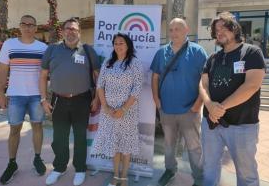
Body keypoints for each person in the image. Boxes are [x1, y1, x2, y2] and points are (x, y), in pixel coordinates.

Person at [199, 11, 266, 186]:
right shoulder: (213, 58)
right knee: (209, 169)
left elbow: (252, 85)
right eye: (216, 30)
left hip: (242, 125)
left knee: (247, 174)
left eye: (224, 27)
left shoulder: (251, 53)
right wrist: (209, 105)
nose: (219, 32)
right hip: (211, 124)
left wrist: (219, 108)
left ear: (234, 29)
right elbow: (203, 84)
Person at [40, 18, 100, 186]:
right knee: (60, 137)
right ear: (63, 31)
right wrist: (44, 99)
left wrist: (96, 99)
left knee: (80, 137)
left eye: (74, 29)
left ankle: (80, 168)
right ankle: (59, 167)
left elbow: (98, 76)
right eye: (68, 28)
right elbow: (43, 76)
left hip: (82, 100)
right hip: (58, 99)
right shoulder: (52, 50)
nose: (71, 32)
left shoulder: (88, 50)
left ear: (79, 32)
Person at [150, 18, 207, 186]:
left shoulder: (197, 51)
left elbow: (205, 81)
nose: (174, 33)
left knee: (194, 147)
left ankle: (198, 177)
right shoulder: (161, 52)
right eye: (171, 29)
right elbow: (155, 77)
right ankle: (170, 170)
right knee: (169, 145)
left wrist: (198, 104)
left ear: (186, 30)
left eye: (178, 29)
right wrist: (156, 99)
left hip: (190, 110)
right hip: (166, 109)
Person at [0, 15, 48, 184]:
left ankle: (37, 158)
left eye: (31, 24)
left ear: (35, 28)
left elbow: (45, 74)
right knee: (14, 130)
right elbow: (3, 70)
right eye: (24, 24)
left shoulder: (43, 48)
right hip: (16, 95)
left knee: (38, 126)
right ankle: (12, 164)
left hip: (36, 95)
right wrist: (2, 94)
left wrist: (44, 97)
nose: (27, 27)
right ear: (19, 26)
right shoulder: (9, 44)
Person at [91, 33, 143, 186]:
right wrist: (105, 107)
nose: (118, 46)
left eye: (121, 43)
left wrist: (124, 109)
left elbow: (137, 88)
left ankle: (124, 177)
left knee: (125, 146)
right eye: (116, 43)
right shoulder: (108, 62)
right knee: (114, 145)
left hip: (128, 113)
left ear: (128, 45)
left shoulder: (135, 63)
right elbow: (100, 85)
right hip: (109, 113)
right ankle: (115, 175)